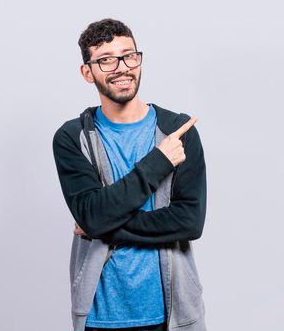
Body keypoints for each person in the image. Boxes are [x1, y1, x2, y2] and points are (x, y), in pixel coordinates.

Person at [52, 19, 207, 331]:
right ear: (88, 72)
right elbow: (94, 215)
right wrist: (159, 161)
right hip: (101, 316)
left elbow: (189, 222)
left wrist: (102, 226)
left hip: (173, 314)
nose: (121, 67)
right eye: (106, 60)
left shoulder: (179, 132)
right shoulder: (72, 138)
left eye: (129, 56)